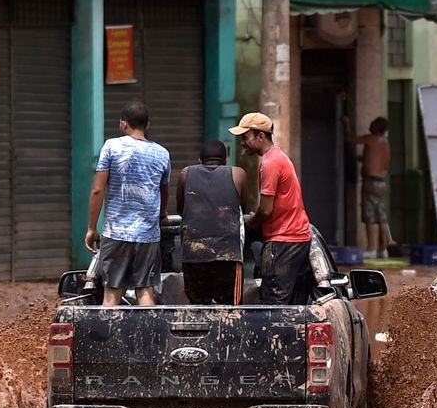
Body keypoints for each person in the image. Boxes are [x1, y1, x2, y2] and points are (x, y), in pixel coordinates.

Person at [85, 102, 172, 306]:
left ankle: (111, 338)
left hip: (116, 233)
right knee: (145, 291)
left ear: (123, 123)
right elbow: (164, 190)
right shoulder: (162, 153)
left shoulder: (111, 147)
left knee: (112, 293)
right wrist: (161, 215)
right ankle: (147, 338)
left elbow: (98, 189)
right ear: (147, 124)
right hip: (148, 236)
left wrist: (91, 228)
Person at [229, 111, 314, 304]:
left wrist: (251, 224)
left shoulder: (270, 163)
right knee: (291, 306)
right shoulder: (277, 157)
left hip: (283, 241)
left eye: (245, 137)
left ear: (260, 136)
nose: (242, 142)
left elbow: (266, 210)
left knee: (273, 305)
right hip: (295, 239)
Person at [175, 139, 253, 305]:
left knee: (198, 310)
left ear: (199, 160)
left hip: (194, 256)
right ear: (225, 160)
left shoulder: (185, 173)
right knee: (231, 312)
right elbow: (241, 208)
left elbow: (182, 210)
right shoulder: (238, 174)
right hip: (228, 256)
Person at [345, 114, 393, 258]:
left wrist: (345, 124)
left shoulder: (370, 139)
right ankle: (383, 249)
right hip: (381, 182)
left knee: (370, 216)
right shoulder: (385, 144)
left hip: (370, 182)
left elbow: (349, 139)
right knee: (381, 216)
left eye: (372, 123)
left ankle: (371, 248)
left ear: (377, 127)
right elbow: (384, 164)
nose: (369, 125)